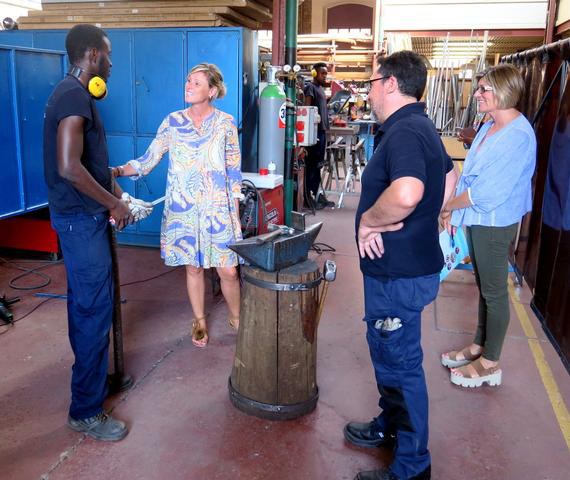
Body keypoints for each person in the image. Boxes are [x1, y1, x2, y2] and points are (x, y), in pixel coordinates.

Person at [345, 51, 457, 480]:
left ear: (390, 84)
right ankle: (389, 426)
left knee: (400, 364)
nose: (369, 91)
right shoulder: (418, 125)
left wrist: (370, 222)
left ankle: (412, 467)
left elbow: (408, 193)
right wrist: (430, 218)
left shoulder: (405, 131)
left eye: (372, 83)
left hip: (398, 276)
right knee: (388, 355)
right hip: (402, 269)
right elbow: (448, 175)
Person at [44, 24, 150, 441]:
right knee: (92, 310)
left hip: (81, 216)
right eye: (107, 54)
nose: (111, 62)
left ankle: (92, 384)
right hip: (80, 219)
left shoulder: (74, 94)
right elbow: (69, 167)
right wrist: (113, 205)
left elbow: (89, 163)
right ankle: (86, 411)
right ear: (92, 55)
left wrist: (120, 193)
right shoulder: (73, 96)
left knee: (88, 305)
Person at [114, 63, 242, 348]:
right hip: (183, 210)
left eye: (196, 83)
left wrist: (234, 212)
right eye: (188, 81)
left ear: (212, 91)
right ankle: (199, 320)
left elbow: (234, 169)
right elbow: (148, 159)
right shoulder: (172, 122)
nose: (189, 86)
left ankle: (237, 317)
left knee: (229, 270)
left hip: (218, 209)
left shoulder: (225, 123)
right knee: (193, 268)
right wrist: (118, 170)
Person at [440, 64, 536, 388]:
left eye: (484, 89)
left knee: (494, 293)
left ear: (504, 92)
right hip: (477, 219)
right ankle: (480, 345)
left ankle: (490, 363)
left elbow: (487, 194)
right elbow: (469, 175)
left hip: (494, 223)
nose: (477, 94)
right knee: (485, 287)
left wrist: (449, 206)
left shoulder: (517, 136)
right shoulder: (490, 125)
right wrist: (454, 213)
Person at [304, 62, 335, 209]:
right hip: (314, 133)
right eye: (322, 73)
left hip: (321, 131)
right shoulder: (310, 88)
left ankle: (316, 194)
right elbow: (307, 109)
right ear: (314, 73)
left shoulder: (320, 89)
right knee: (312, 165)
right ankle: (309, 197)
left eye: (326, 73)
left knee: (318, 165)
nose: (325, 76)